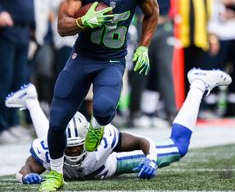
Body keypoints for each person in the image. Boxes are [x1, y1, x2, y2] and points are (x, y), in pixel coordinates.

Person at [37, 0, 159, 191]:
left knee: (103, 109)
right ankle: (56, 174)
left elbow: (152, 12)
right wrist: (83, 21)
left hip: (113, 59)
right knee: (58, 119)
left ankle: (98, 126)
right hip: (82, 56)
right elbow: (62, 25)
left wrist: (144, 46)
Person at [5, 68, 232, 190]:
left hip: (108, 166)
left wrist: (151, 159)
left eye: (77, 147)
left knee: (179, 147)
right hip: (81, 158)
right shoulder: (48, 148)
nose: (73, 153)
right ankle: (32, 100)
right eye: (69, 148)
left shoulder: (103, 140)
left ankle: (199, 83)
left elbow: (143, 142)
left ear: (89, 137)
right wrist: (26, 179)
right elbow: (24, 170)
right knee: (53, 133)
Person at [0, 0, 35, 143]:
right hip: (6, 31)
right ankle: (2, 126)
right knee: (4, 77)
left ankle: (14, 123)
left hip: (25, 31)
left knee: (20, 79)